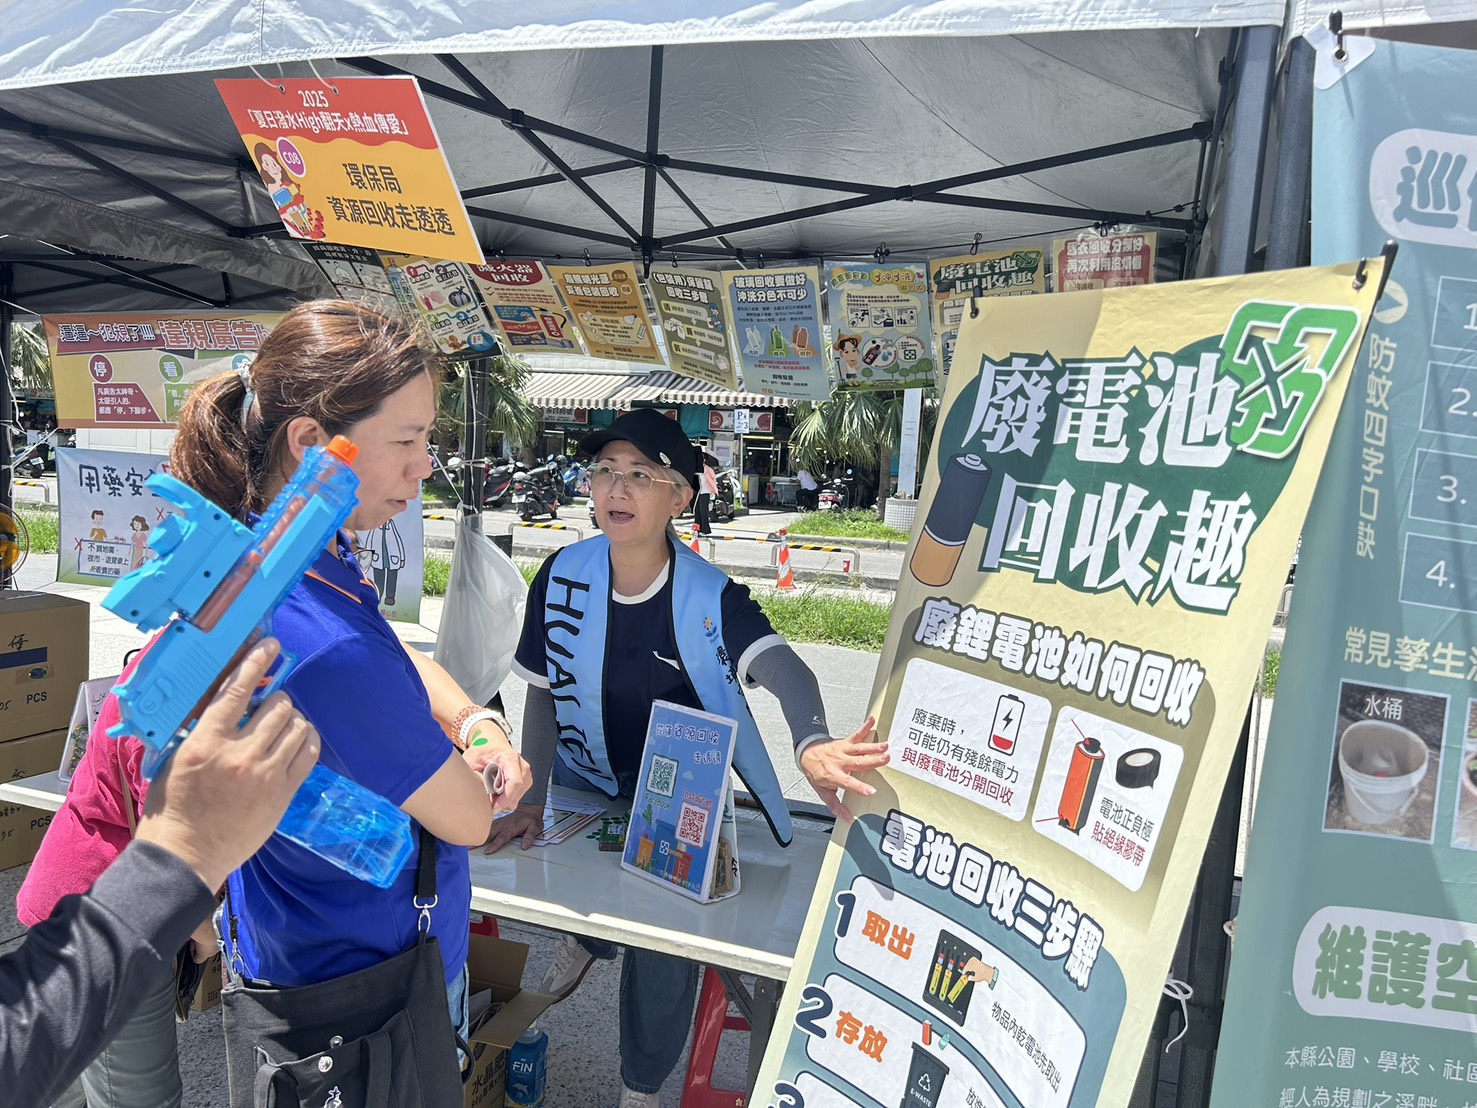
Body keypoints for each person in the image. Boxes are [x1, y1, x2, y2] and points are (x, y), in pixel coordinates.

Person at [21, 301, 533, 1106]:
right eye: (405, 440)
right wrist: (483, 761)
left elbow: (384, 647)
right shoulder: (314, 623)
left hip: (286, 950)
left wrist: (475, 719)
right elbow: (468, 818)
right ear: (309, 446)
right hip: (342, 977)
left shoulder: (288, 557)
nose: (424, 465)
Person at [487, 407, 886, 1108]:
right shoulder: (562, 573)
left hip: (671, 801)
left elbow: (787, 671)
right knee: (557, 889)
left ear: (679, 498)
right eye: (605, 471)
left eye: (641, 475)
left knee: (664, 942)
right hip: (582, 781)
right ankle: (586, 943)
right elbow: (543, 692)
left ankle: (638, 1091)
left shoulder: (709, 595)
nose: (617, 487)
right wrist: (527, 799)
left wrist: (813, 741)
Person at [6, 639, 320, 1108]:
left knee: (62, 1084)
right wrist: (209, 932)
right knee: (136, 1095)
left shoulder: (177, 659)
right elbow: (181, 849)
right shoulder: (180, 696)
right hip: (114, 918)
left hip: (85, 902)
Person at [696, 456, 718, 535]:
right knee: (697, 512)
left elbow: (713, 480)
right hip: (697, 493)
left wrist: (713, 489)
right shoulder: (695, 469)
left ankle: (705, 529)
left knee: (703, 512)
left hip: (705, 492)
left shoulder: (708, 469)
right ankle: (697, 529)